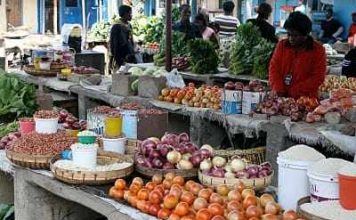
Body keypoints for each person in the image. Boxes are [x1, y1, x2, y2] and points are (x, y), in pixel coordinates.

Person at [269, 12, 326, 99]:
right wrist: (279, 89)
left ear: (305, 35)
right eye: (289, 34)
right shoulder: (282, 45)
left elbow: (318, 77)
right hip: (280, 97)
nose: (291, 38)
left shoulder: (317, 50)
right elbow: (274, 68)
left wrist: (294, 91)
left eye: (295, 35)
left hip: (306, 100)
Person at [109, 5, 136, 70]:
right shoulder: (116, 27)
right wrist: (119, 60)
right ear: (125, 14)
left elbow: (130, 39)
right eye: (130, 13)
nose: (131, 15)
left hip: (129, 57)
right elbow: (114, 45)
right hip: (121, 58)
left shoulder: (129, 25)